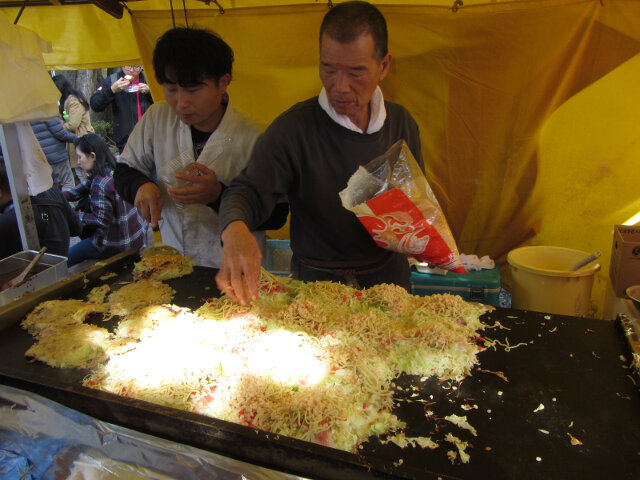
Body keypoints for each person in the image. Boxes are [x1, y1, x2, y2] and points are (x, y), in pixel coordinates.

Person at [216, 1, 425, 304]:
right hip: (316, 288)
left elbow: (415, 200)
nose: (339, 87)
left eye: (356, 72)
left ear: (383, 66)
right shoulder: (294, 129)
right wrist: (234, 229)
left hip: (388, 283)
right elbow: (245, 191)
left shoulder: (401, 124)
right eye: (328, 69)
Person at [114, 27, 286, 269]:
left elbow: (277, 215)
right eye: (172, 89)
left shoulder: (255, 137)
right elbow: (124, 170)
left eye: (194, 90)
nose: (182, 103)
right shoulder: (157, 118)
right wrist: (140, 185)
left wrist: (218, 195)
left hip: (234, 269)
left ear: (223, 82)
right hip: (172, 262)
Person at [63, 134, 148, 266]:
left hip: (117, 245)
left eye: (79, 157)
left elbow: (100, 220)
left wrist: (74, 216)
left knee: (66, 258)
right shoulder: (117, 168)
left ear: (92, 156)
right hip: (137, 237)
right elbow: (83, 187)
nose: (78, 162)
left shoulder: (100, 183)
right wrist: (59, 198)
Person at [0, 162, 81, 259]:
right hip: (60, 263)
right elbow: (77, 228)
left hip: (38, 270)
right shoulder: (52, 191)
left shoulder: (7, 222)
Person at [90, 65, 154, 153]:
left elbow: (167, 102)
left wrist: (151, 91)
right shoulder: (113, 80)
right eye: (128, 66)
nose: (132, 70)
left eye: (136, 67)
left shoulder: (150, 78)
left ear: (141, 66)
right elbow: (95, 104)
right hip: (126, 141)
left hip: (150, 139)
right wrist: (112, 90)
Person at [52, 74, 95, 183]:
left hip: (82, 139)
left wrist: (58, 126)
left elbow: (73, 124)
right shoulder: (67, 101)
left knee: (84, 174)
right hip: (75, 141)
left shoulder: (73, 101)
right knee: (80, 174)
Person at [30, 117, 78, 190]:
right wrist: (78, 139)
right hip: (57, 155)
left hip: (41, 157)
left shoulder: (27, 114)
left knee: (48, 187)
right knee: (67, 182)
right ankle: (69, 201)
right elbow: (61, 134)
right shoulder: (47, 112)